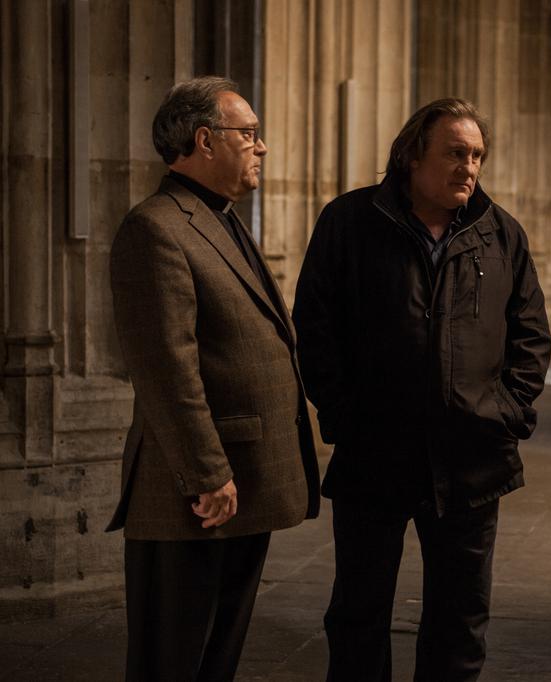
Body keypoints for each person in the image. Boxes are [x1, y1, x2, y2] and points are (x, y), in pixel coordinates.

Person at [293, 97, 551, 681]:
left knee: (459, 622)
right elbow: (315, 325)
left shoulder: (501, 234)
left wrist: (503, 415)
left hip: (472, 460)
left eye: (478, 155)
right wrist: (342, 413)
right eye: (455, 152)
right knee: (358, 615)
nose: (469, 167)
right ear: (412, 155)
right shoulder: (351, 222)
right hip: (375, 454)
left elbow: (531, 338)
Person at [107, 76, 320, 681]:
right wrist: (207, 473)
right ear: (204, 140)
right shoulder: (156, 228)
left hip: (239, 484)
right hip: (197, 493)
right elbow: (166, 369)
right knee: (173, 659)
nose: (262, 147)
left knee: (215, 658)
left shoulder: (217, 218)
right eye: (248, 134)